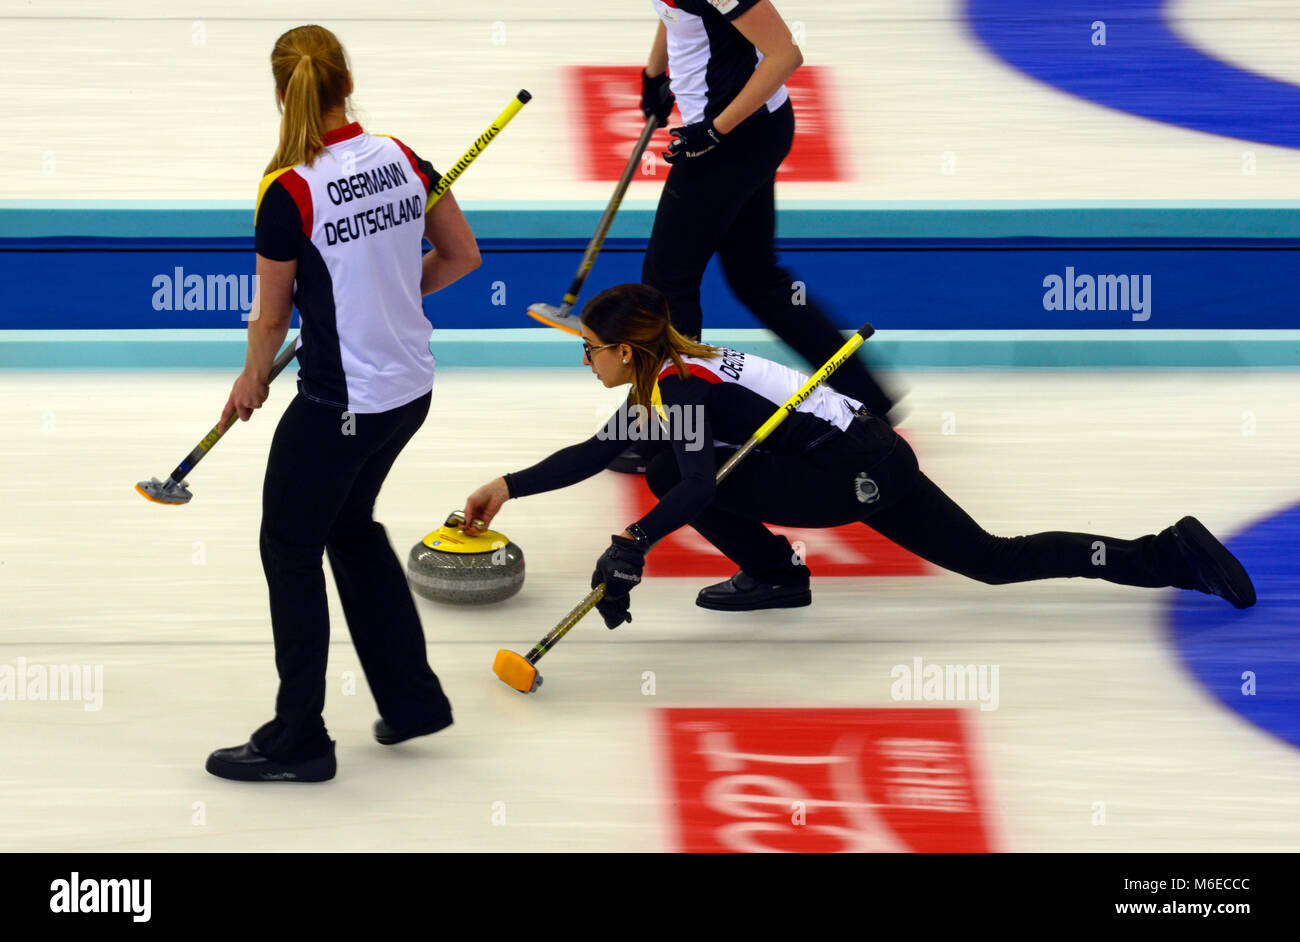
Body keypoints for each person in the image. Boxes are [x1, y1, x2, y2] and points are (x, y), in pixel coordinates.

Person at [461, 284, 1255, 630]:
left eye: (592, 350)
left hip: (854, 471)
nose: (585, 361)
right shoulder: (674, 373)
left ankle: (1167, 556)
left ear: (629, 354)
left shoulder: (686, 394)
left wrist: (633, 545)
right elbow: (599, 448)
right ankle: (1166, 554)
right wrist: (508, 486)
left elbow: (698, 485)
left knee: (989, 561)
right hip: (853, 448)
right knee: (656, 461)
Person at [206, 25, 480, 783]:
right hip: (408, 394)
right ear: (346, 81)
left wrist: (251, 376)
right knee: (350, 528)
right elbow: (461, 256)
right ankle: (414, 702)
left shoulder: (288, 190)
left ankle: (300, 736)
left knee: (290, 550)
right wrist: (390, 299)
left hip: (338, 405)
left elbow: (269, 317)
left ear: (279, 92)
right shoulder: (402, 157)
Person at [608, 0, 898, 474]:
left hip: (733, 138)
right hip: (749, 132)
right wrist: (656, 73)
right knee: (755, 276)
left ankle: (672, 428)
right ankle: (866, 395)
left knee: (667, 282)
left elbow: (785, 55)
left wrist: (714, 131)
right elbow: (676, 14)